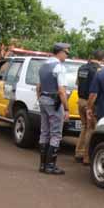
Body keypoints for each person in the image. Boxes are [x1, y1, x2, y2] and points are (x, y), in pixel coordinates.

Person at [36, 43, 71, 175]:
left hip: (43, 100)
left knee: (44, 132)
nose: (67, 55)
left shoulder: (44, 66)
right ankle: (50, 166)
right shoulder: (59, 67)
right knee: (56, 134)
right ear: (60, 52)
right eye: (66, 53)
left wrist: (39, 99)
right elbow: (62, 91)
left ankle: (42, 165)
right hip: (54, 102)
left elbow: (38, 86)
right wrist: (66, 109)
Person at [74, 50, 104, 164]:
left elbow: (77, 83)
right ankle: (86, 157)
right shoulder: (98, 70)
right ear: (103, 59)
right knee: (91, 129)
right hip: (90, 102)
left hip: (80, 100)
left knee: (84, 127)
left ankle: (79, 152)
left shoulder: (81, 68)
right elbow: (97, 89)